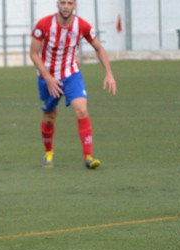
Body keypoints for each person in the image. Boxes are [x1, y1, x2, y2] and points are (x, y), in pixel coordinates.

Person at [29, 0, 116, 169]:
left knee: (82, 109)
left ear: (75, 5)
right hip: (47, 77)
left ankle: (88, 156)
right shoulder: (44, 24)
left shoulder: (82, 26)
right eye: (63, 2)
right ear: (57, 4)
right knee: (49, 117)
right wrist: (47, 77)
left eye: (70, 3)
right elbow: (33, 53)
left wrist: (109, 73)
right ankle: (48, 153)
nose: (66, 6)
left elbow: (99, 48)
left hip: (71, 75)